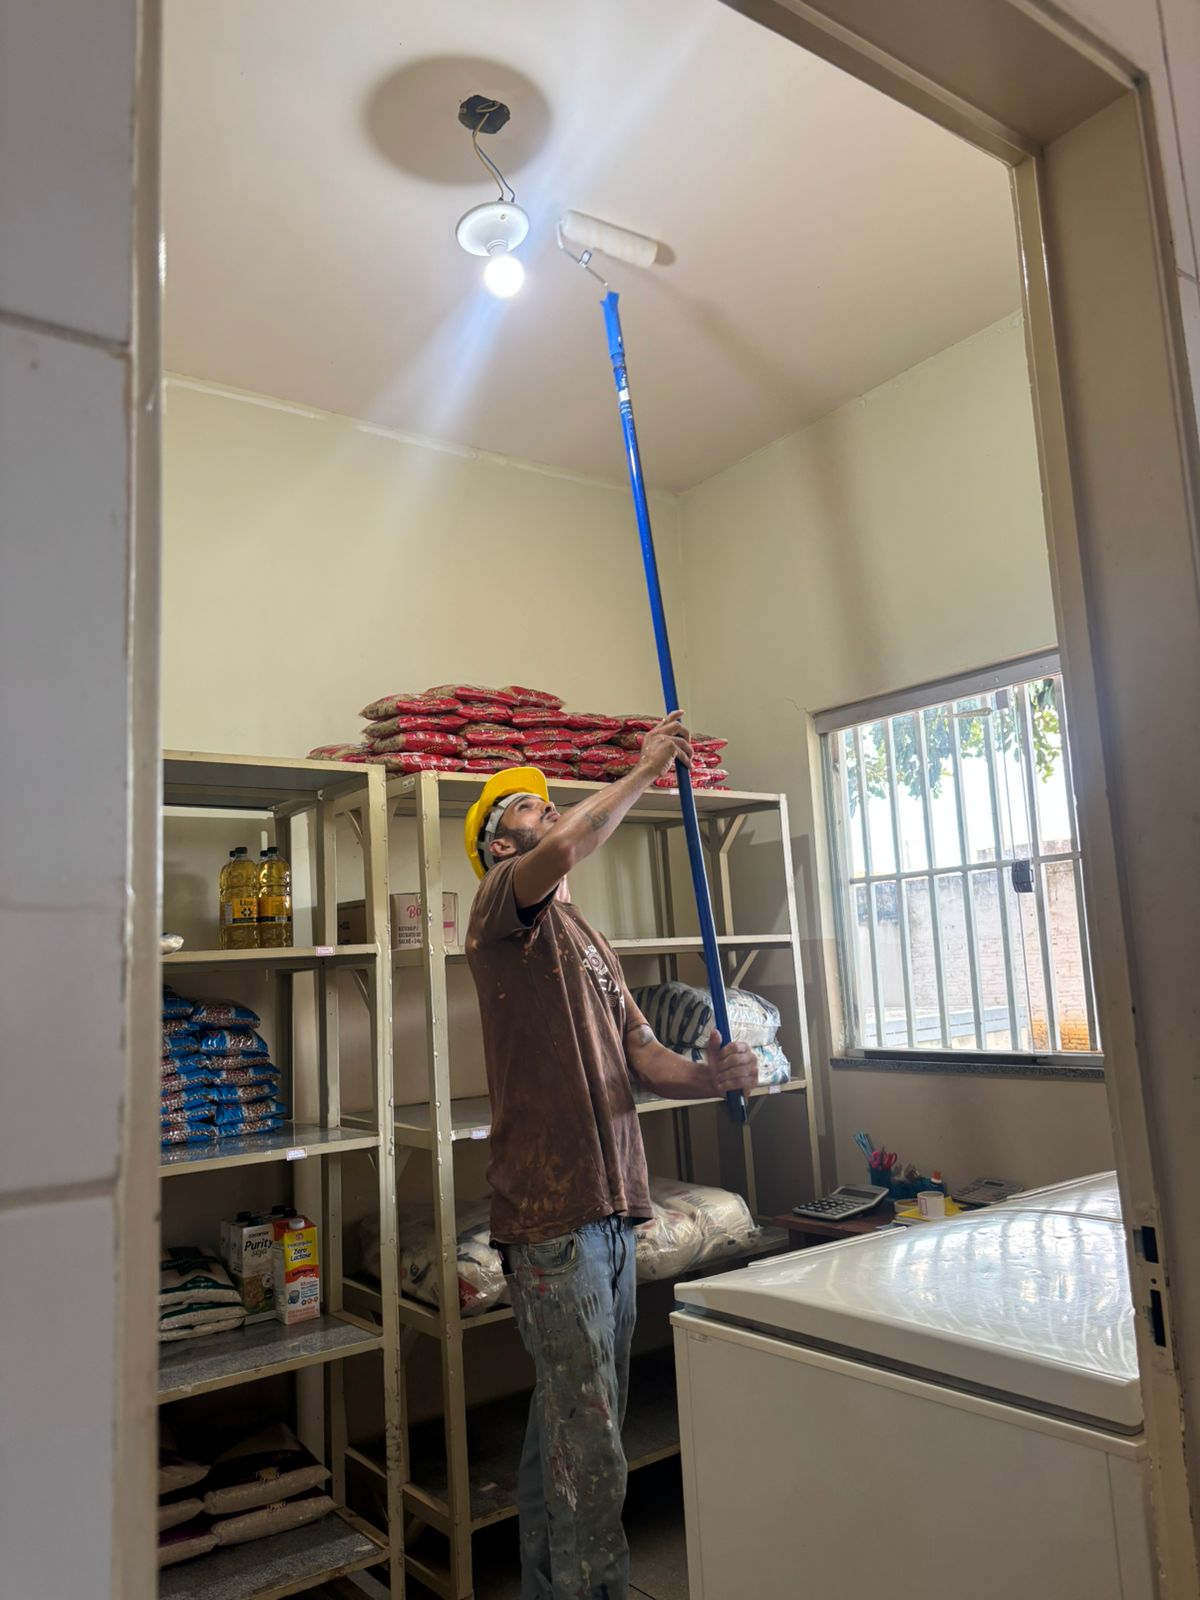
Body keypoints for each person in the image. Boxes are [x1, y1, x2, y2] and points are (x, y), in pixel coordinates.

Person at [463, 711, 759, 1600]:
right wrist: (641, 771)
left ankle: (551, 1587)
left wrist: (709, 1076)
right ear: (491, 844)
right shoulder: (499, 912)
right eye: (525, 808)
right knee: (591, 1439)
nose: (546, 813)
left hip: (612, 1208)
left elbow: (642, 1057)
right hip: (551, 1221)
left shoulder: (588, 944)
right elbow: (565, 850)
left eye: (550, 803)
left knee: (568, 1419)